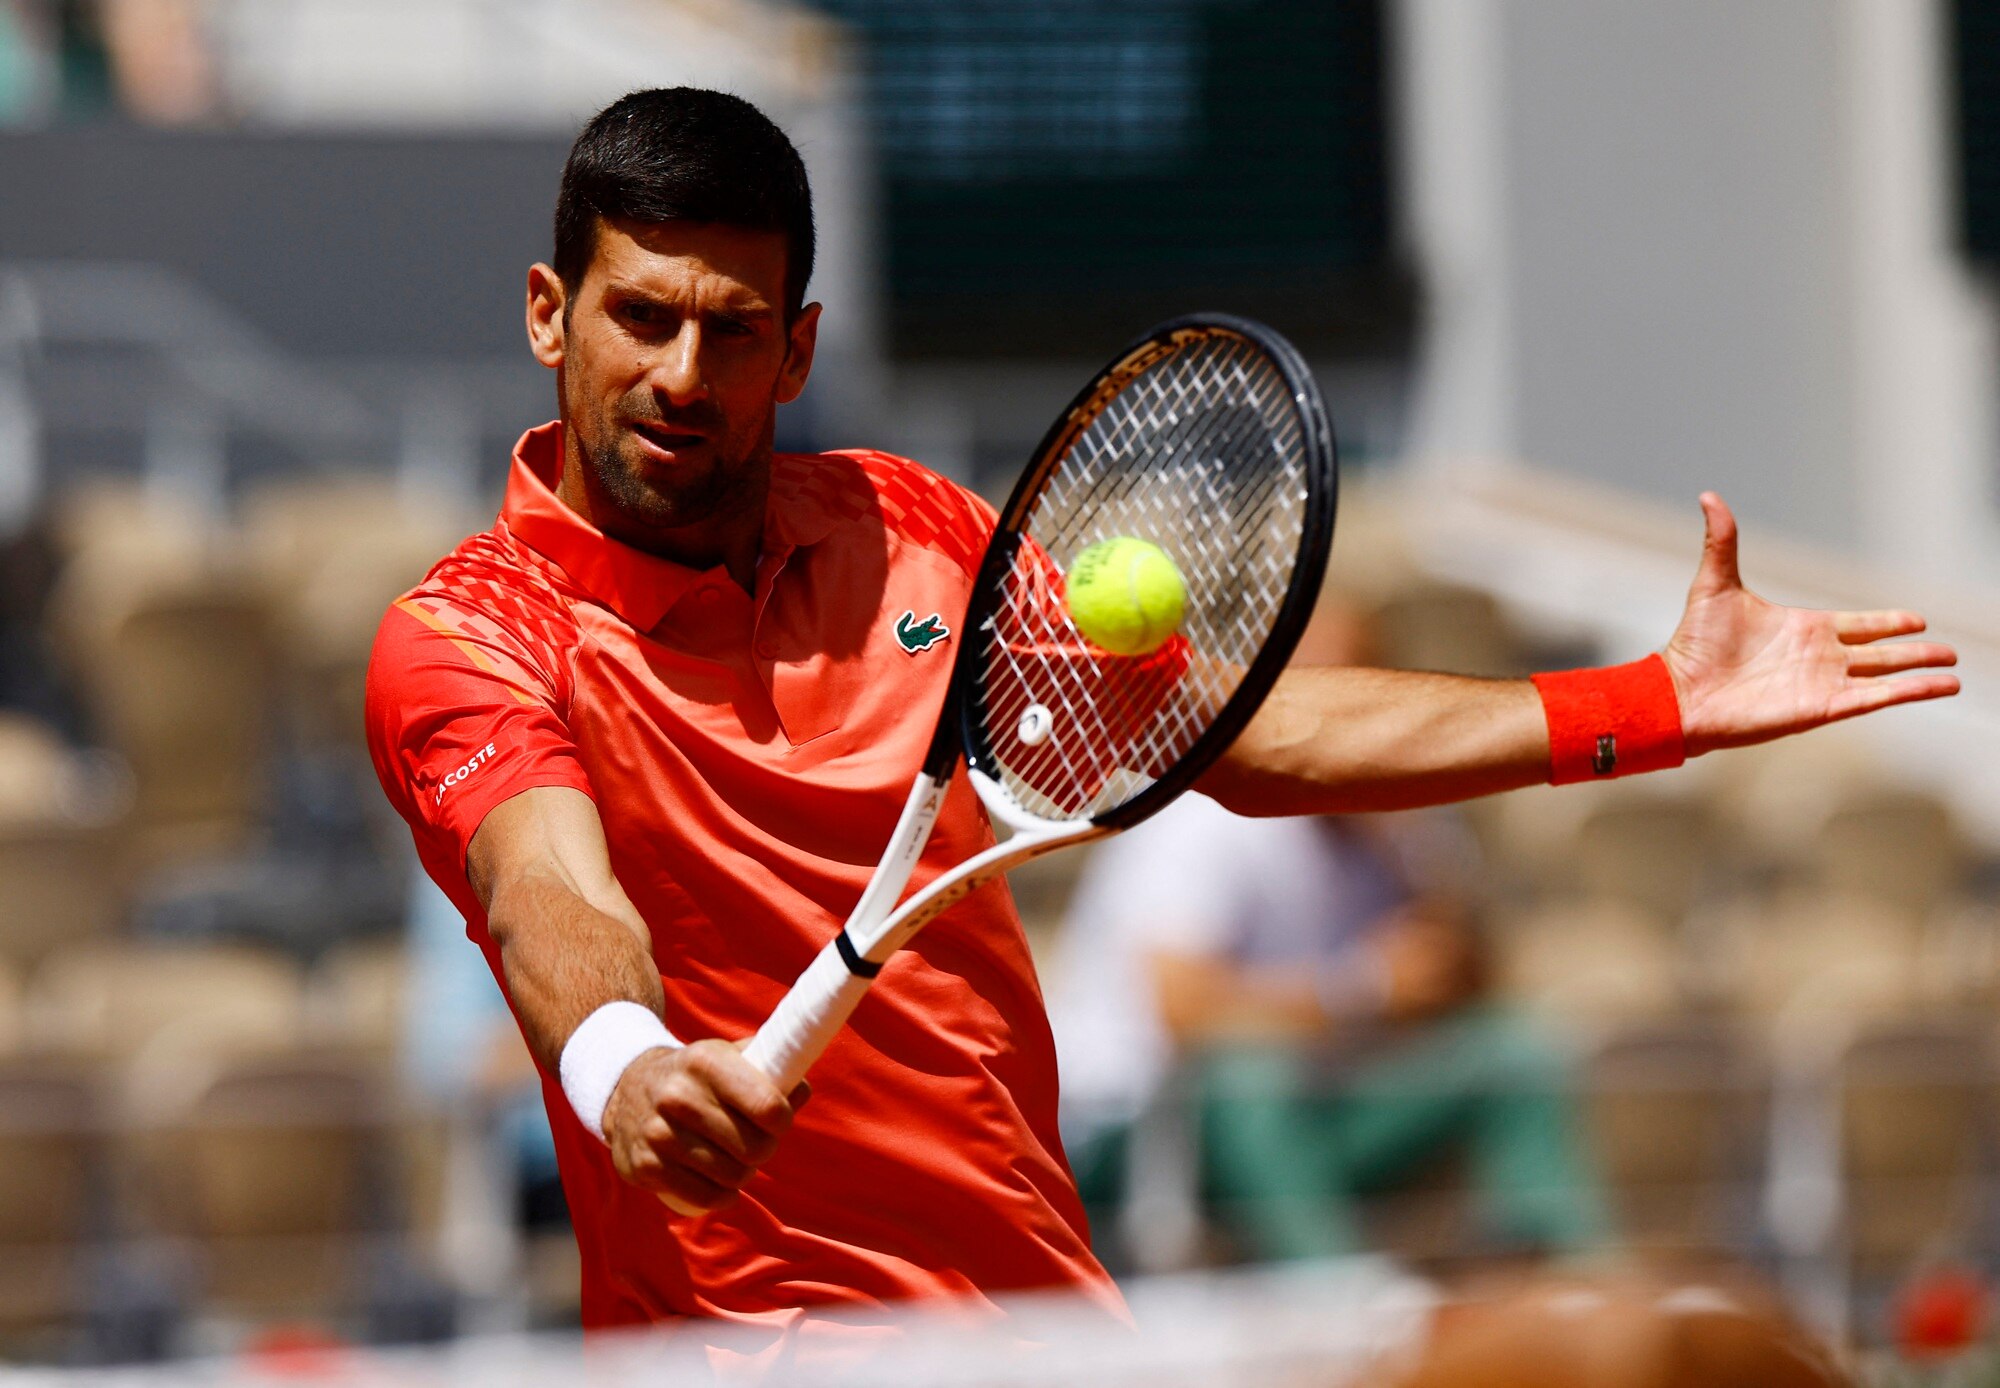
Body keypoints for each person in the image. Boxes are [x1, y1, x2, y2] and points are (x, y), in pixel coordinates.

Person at [363, 87, 1958, 1354]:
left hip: (1041, 1327)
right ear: (546, 314)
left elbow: (1247, 742)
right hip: (743, 1348)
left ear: (801, 345)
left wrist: (1653, 700)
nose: (684, 373)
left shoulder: (912, 532)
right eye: (643, 315)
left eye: (734, 327)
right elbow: (548, 893)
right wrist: (630, 1067)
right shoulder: (466, 638)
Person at [1050, 603, 1606, 1265]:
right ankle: (1341, 1306)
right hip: (1139, 1135)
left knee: (1512, 1052)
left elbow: (1472, 984)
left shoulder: (1403, 830)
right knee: (1250, 1076)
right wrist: (1364, 990)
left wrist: (1417, 863)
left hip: (1312, 1118)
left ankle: (1576, 1283)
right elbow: (1185, 1014)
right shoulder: (1197, 819)